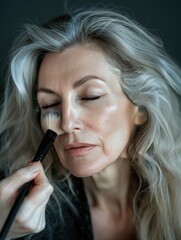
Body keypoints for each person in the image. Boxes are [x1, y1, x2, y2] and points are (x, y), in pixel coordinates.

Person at [0, 8, 181, 240]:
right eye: (49, 104)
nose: (67, 123)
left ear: (141, 109)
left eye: (91, 96)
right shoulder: (19, 213)